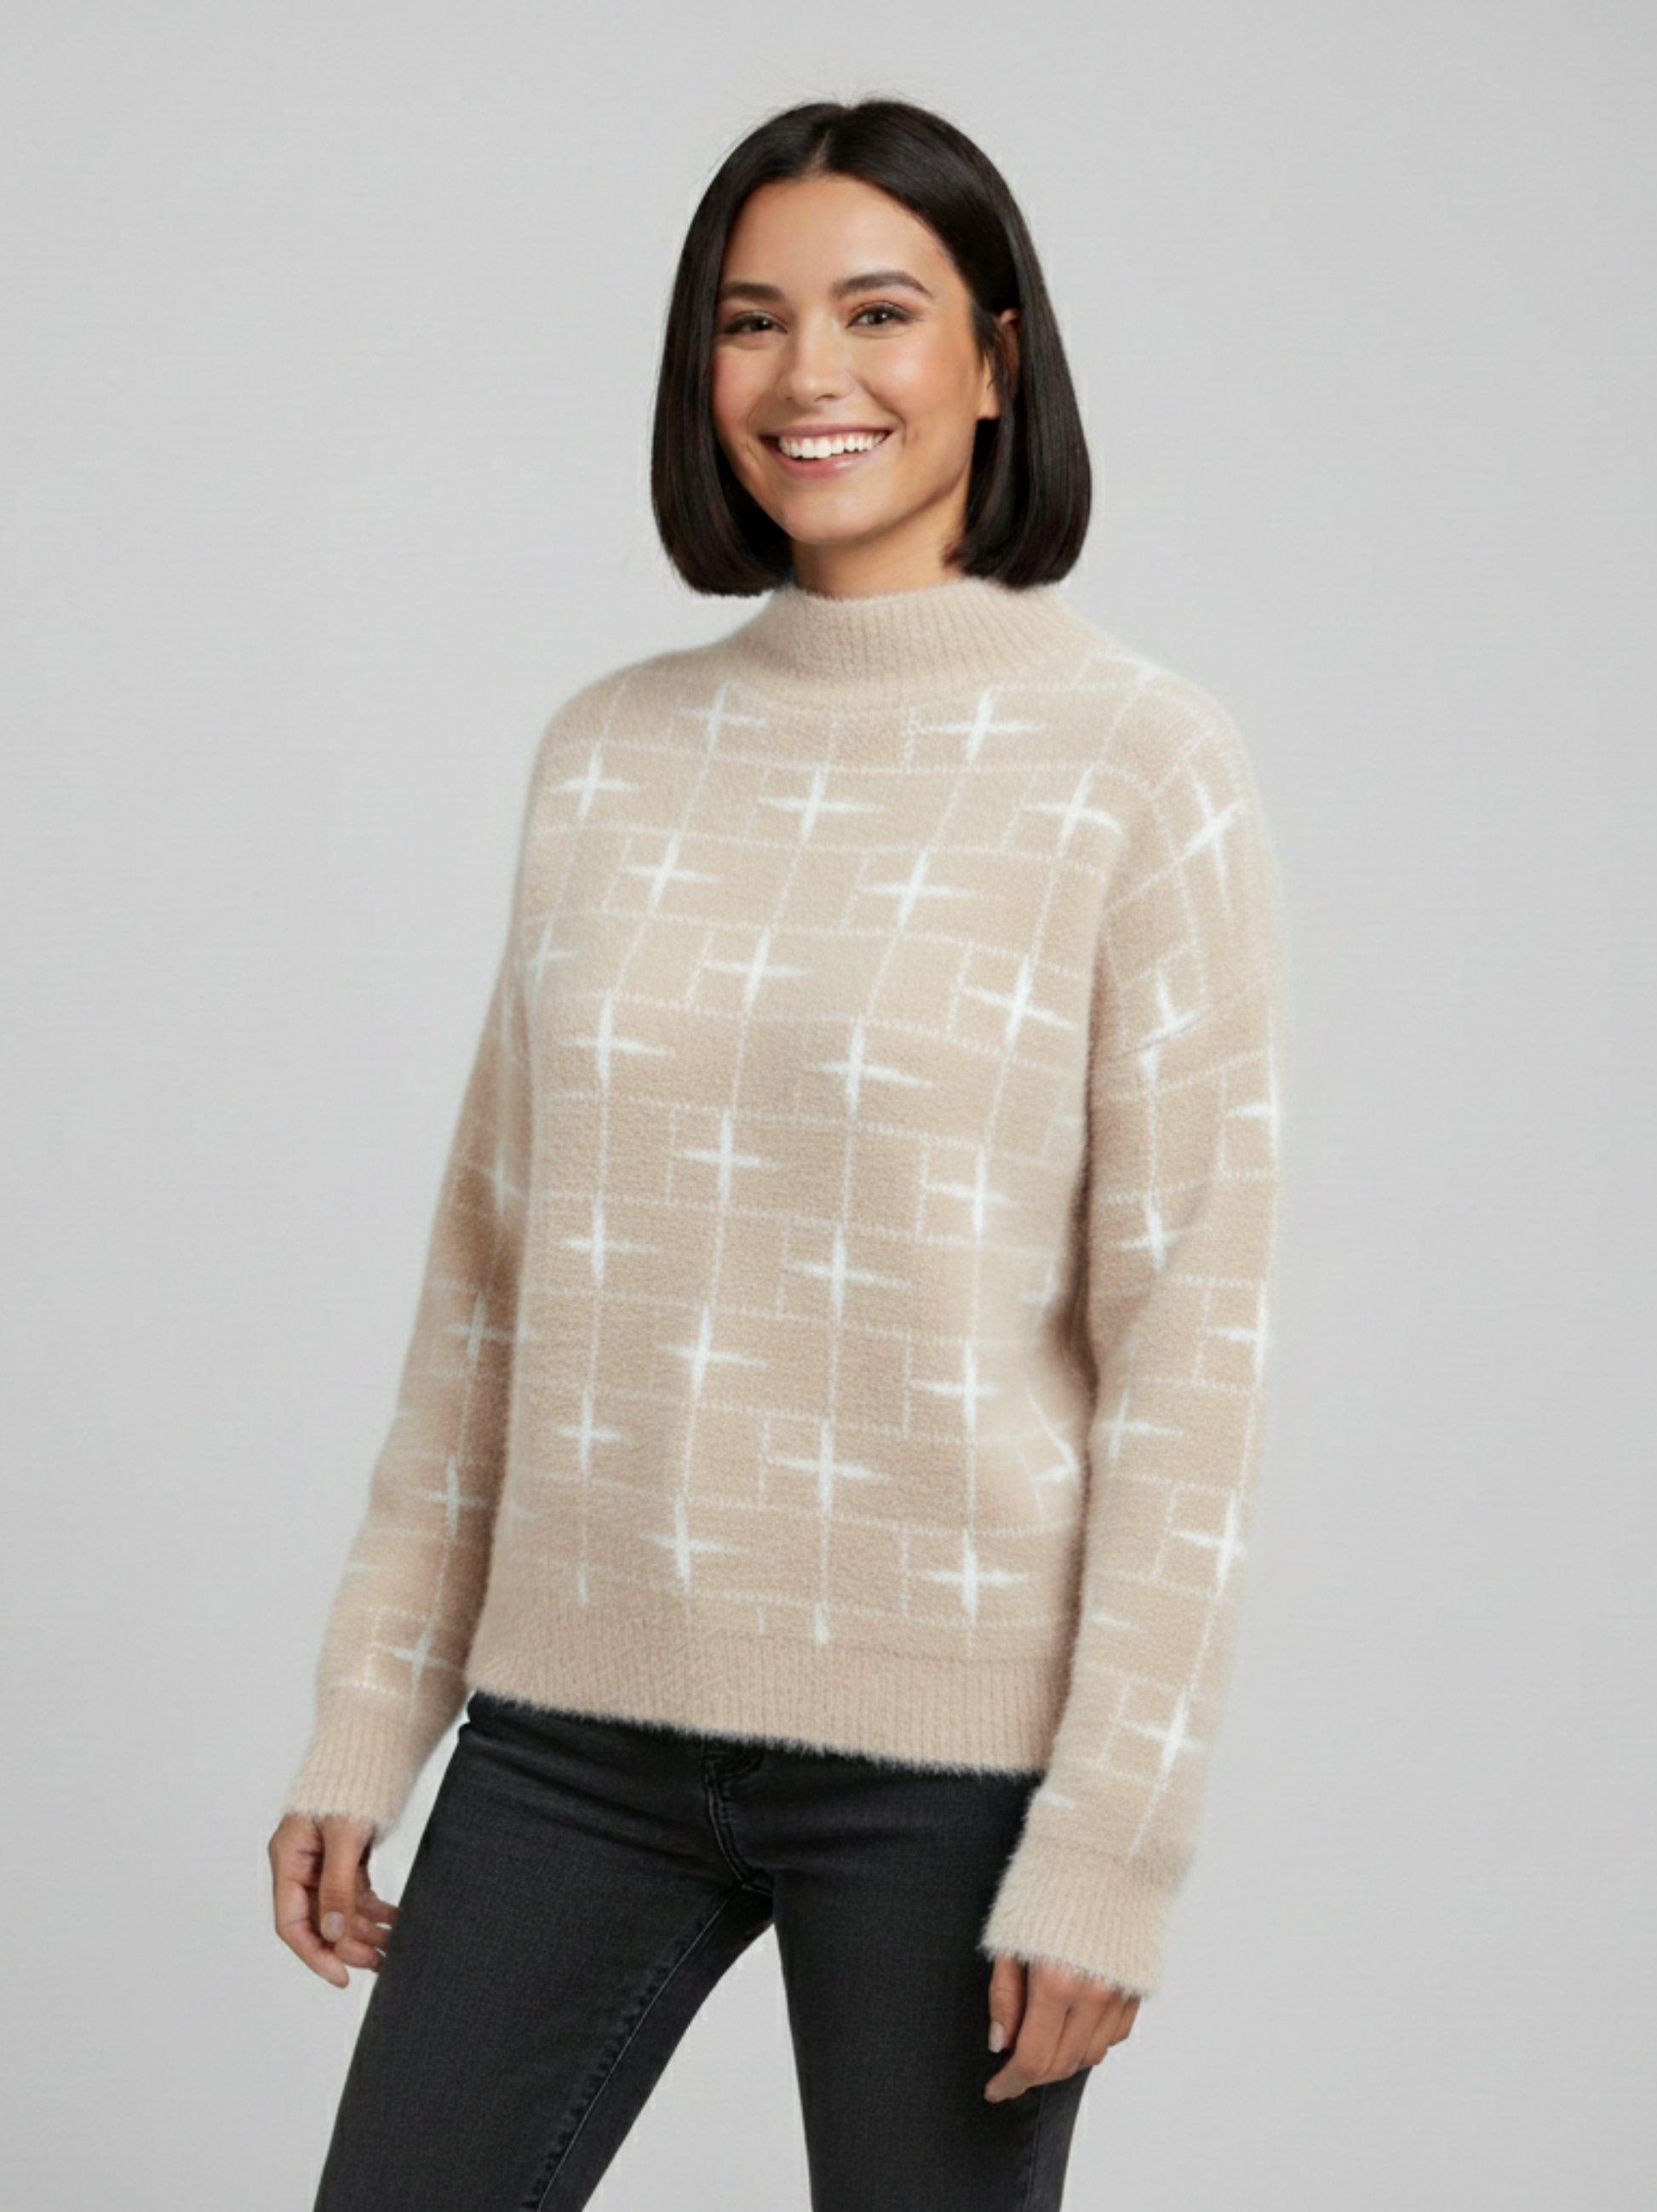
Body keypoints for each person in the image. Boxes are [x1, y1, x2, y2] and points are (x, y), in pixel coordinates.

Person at [268, 95, 1290, 2212]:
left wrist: (1111, 1845)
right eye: (751, 321)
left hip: (951, 1764)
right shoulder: (607, 754)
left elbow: (1188, 1352)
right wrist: (373, 1714)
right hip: (574, 1718)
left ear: (995, 359)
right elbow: (488, 1284)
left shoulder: (1139, 764)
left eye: (877, 311)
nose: (807, 373)